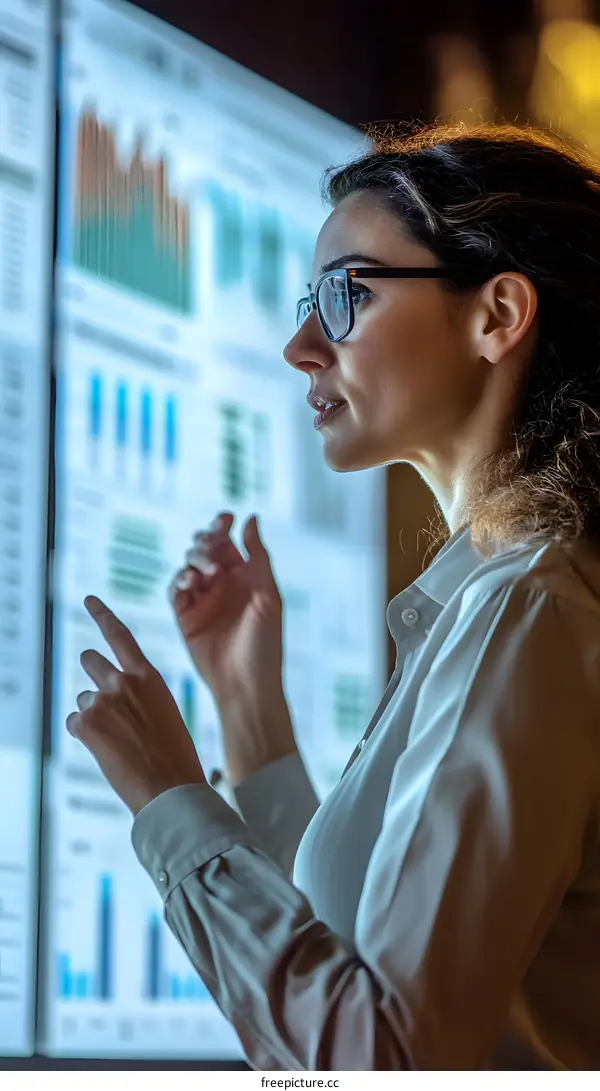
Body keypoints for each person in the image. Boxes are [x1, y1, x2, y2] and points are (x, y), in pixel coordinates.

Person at [68, 122, 600, 1071]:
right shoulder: (512, 601)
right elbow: (361, 953)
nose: (299, 345)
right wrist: (247, 706)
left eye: (343, 295)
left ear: (497, 314)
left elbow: (379, 1057)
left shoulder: (529, 607)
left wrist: (168, 798)